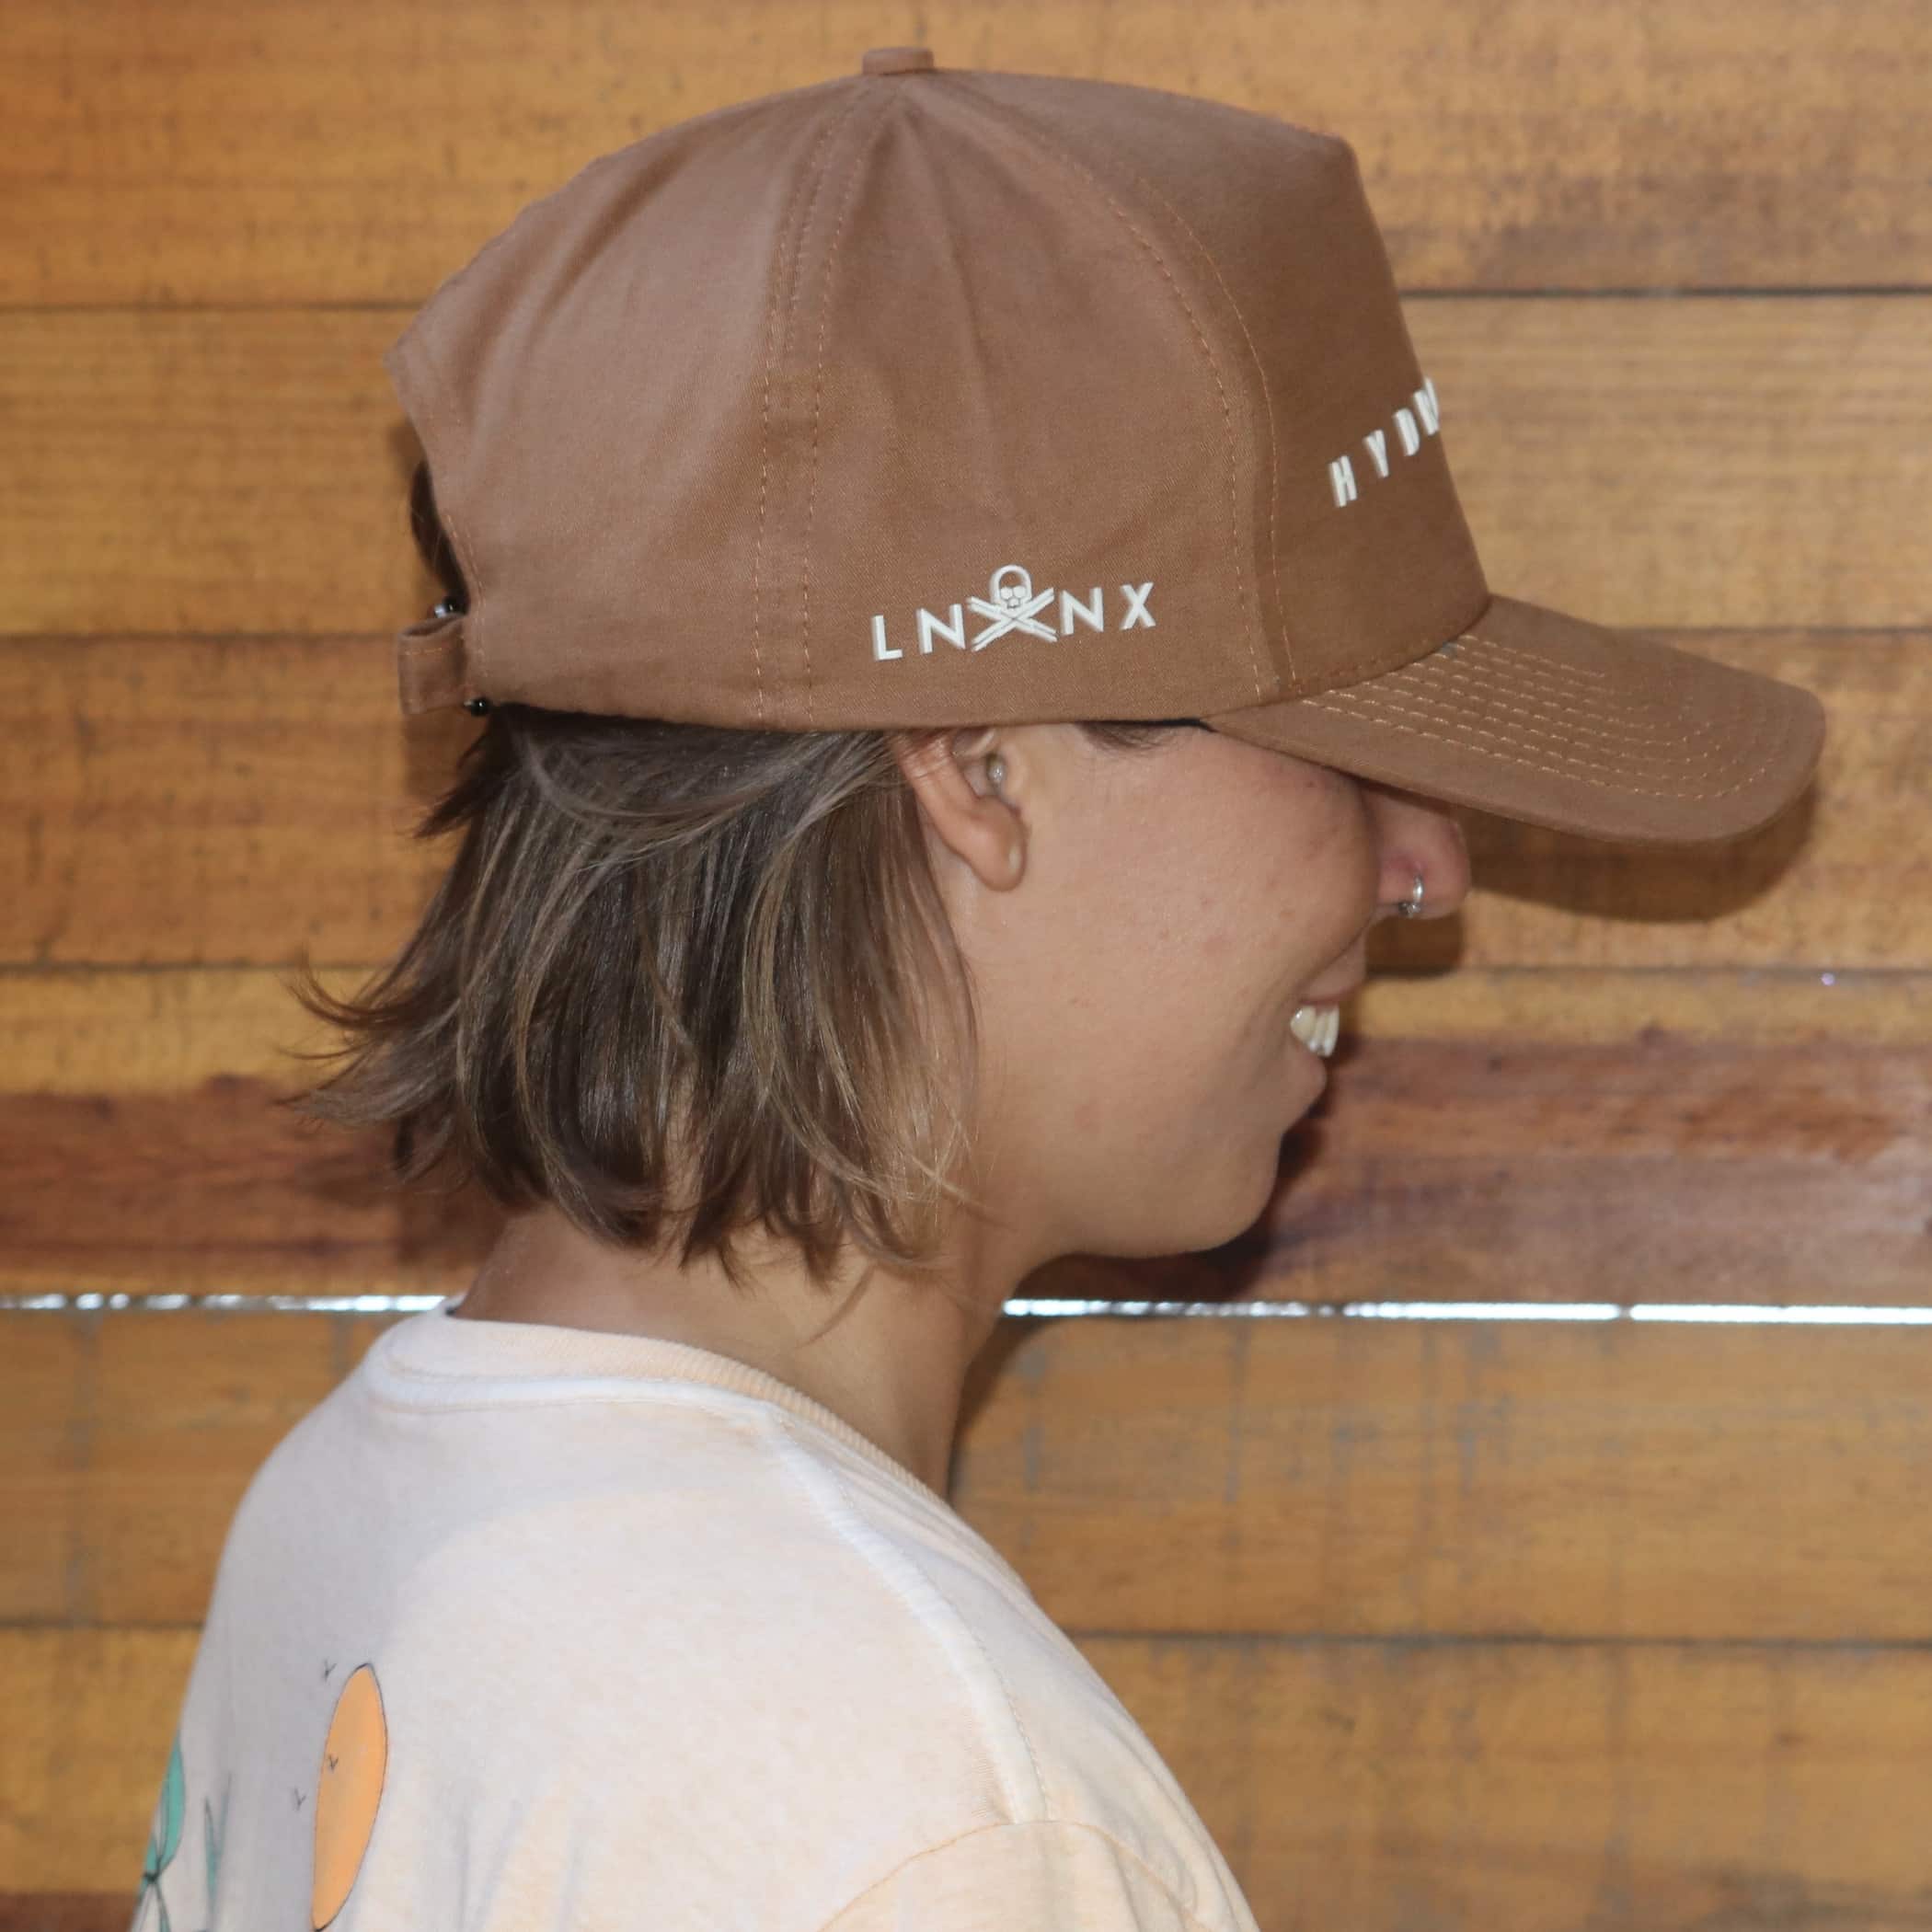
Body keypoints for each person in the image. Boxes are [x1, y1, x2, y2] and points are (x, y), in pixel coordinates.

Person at [130, 45, 1824, 1932]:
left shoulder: (377, 1504)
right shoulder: (931, 1823)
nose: (1426, 872)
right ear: (979, 769)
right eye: (1352, 753)